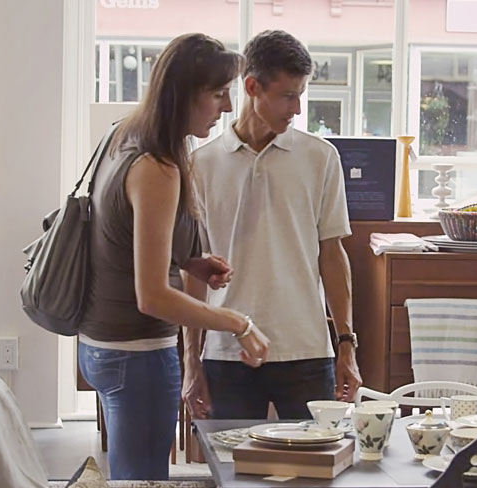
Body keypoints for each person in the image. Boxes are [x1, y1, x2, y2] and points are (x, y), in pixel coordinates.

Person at [77, 33, 270, 481]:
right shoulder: (158, 167)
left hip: (100, 345)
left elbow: (122, 236)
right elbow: (153, 297)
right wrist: (239, 323)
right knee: (142, 481)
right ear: (184, 93)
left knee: (130, 476)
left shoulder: (123, 137)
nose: (226, 107)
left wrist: (192, 261)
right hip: (137, 353)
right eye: (219, 93)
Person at [184, 30, 361, 421]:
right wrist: (191, 361)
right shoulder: (201, 165)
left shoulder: (321, 158)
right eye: (287, 95)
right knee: (231, 475)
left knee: (317, 475)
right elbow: (193, 270)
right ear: (252, 87)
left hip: (307, 350)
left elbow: (333, 256)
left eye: (301, 94)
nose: (297, 108)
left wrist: (346, 345)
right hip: (227, 354)